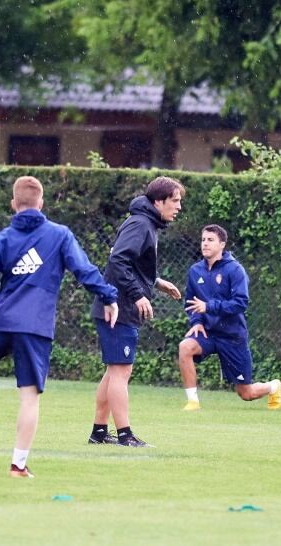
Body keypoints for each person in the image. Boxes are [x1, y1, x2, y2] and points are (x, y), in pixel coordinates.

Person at [0, 176, 118, 478]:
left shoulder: (2, 239)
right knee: (29, 398)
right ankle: (18, 465)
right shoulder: (60, 235)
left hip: (3, 320)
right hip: (35, 327)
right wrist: (108, 297)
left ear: (14, 204)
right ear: (41, 203)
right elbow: (84, 270)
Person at [88, 176, 184, 448]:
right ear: (159, 201)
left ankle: (98, 432)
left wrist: (157, 283)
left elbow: (132, 264)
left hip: (119, 305)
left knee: (114, 371)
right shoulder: (141, 224)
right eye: (175, 201)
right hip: (117, 307)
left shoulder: (146, 223)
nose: (178, 207)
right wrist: (138, 294)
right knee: (121, 371)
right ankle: (125, 435)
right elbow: (117, 260)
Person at [178, 225, 281, 410]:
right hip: (208, 333)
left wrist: (209, 306)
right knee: (185, 347)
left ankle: (273, 386)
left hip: (232, 336)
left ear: (222, 244)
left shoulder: (235, 270)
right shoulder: (195, 271)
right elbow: (191, 303)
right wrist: (196, 321)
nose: (205, 244)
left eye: (210, 240)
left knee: (246, 393)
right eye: (203, 240)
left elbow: (241, 303)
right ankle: (193, 402)